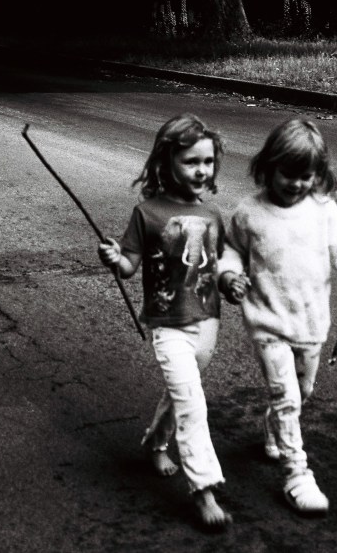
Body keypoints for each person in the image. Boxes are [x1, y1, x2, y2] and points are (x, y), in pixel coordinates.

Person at [217, 117, 337, 516]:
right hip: (267, 323)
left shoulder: (324, 212)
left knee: (302, 393)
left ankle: (275, 425)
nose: (297, 183)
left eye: (306, 176)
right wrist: (229, 275)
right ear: (268, 166)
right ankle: (296, 476)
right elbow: (231, 250)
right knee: (287, 397)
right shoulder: (249, 213)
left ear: (318, 175)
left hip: (311, 325)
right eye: (288, 174)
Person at [97, 113, 232, 529]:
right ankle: (204, 490)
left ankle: (156, 443)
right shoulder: (147, 213)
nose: (202, 170)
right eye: (191, 161)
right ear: (166, 162)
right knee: (193, 403)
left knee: (180, 395)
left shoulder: (213, 214)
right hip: (168, 325)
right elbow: (128, 268)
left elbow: (219, 266)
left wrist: (233, 283)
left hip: (207, 323)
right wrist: (115, 257)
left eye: (208, 161)